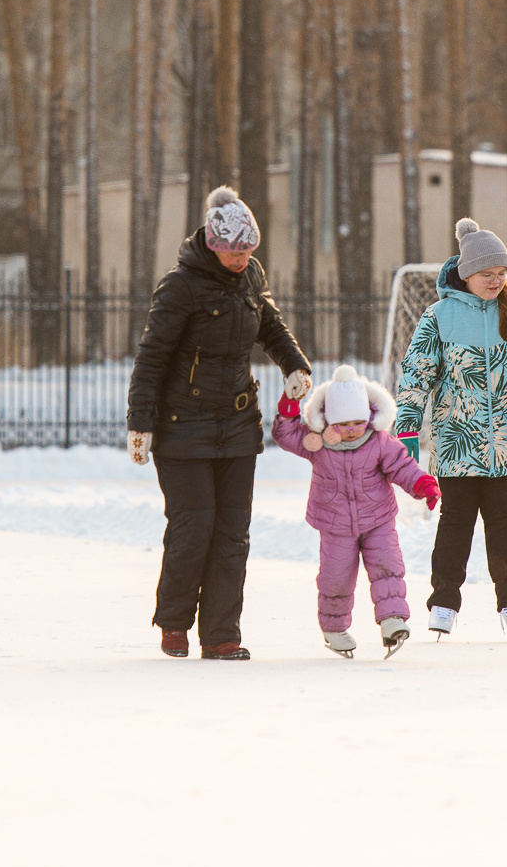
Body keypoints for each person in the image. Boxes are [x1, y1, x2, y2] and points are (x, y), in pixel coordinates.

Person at [127, 186, 311, 661]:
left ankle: (221, 633)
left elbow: (269, 324)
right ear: (213, 244)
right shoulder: (180, 287)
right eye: (233, 251)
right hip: (181, 425)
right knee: (194, 526)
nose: (241, 259)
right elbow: (152, 357)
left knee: (232, 532)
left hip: (235, 422)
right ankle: (174, 623)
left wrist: (294, 364)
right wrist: (139, 422)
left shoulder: (250, 277)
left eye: (248, 251)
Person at [393, 218, 507, 642]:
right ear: (467, 274)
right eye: (488, 275)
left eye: (502, 274)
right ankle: (444, 603)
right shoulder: (439, 317)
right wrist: (408, 427)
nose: (496, 281)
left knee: (505, 523)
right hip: (455, 443)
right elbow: (416, 375)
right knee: (456, 523)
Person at [272, 365, 440, 658]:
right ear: (330, 422)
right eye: (343, 424)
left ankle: (393, 621)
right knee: (336, 578)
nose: (351, 430)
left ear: (369, 417)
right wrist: (289, 404)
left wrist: (423, 484)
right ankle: (335, 629)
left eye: (358, 422)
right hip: (335, 524)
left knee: (387, 566)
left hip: (377, 520)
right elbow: (286, 434)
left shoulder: (379, 441)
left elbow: (402, 466)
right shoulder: (318, 443)